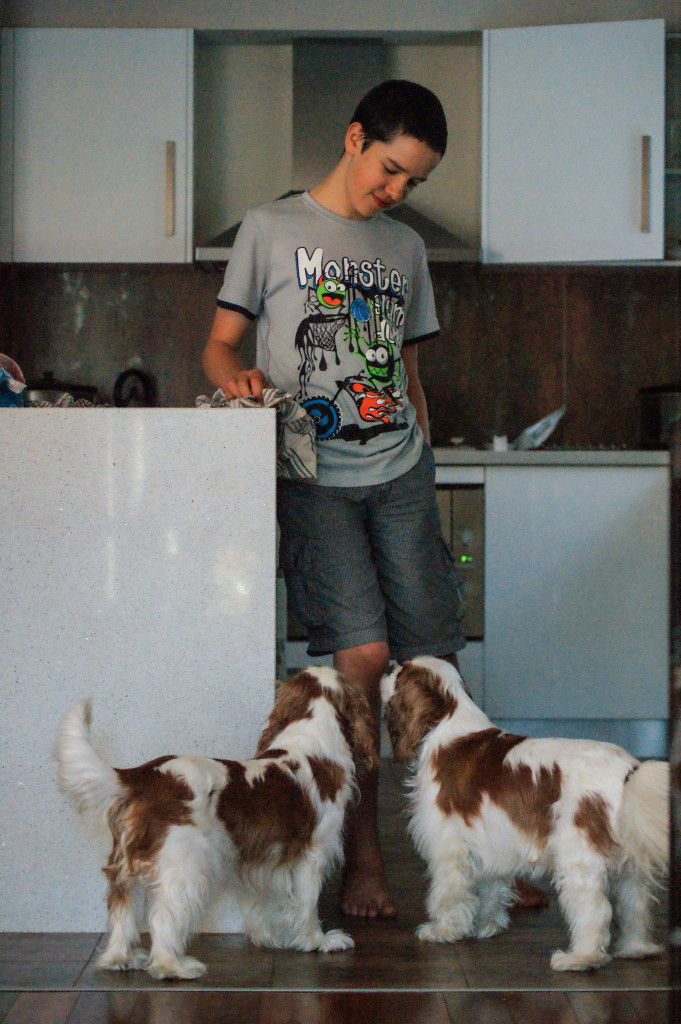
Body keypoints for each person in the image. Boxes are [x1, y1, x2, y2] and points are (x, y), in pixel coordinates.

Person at [203, 79, 543, 918]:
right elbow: (217, 345)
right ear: (354, 138)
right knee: (358, 663)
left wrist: (421, 444)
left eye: (413, 184)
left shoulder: (404, 249)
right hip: (312, 479)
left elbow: (410, 368)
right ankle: (363, 862)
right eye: (390, 171)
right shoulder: (269, 227)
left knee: (435, 667)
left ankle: (483, 857)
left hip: (399, 475)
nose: (396, 193)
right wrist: (238, 376)